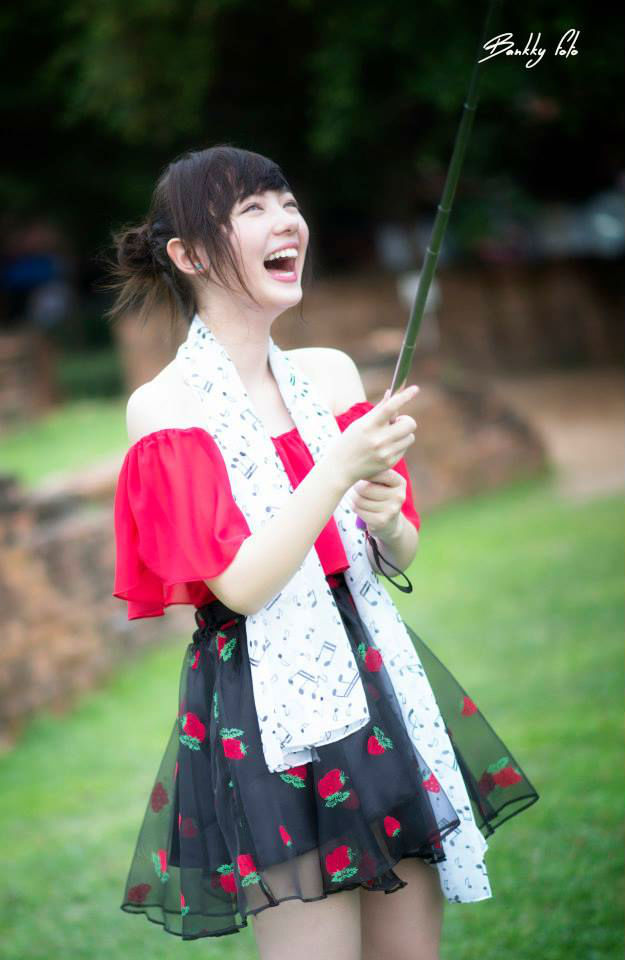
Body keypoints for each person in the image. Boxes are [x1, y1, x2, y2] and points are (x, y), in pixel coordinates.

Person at [106, 145, 539, 959]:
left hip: (374, 673)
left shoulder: (329, 375)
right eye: (253, 209)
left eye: (287, 202)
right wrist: (336, 469)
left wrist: (385, 514)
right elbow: (238, 587)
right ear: (189, 255)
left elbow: (398, 547)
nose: (286, 222)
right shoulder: (164, 407)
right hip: (264, 710)